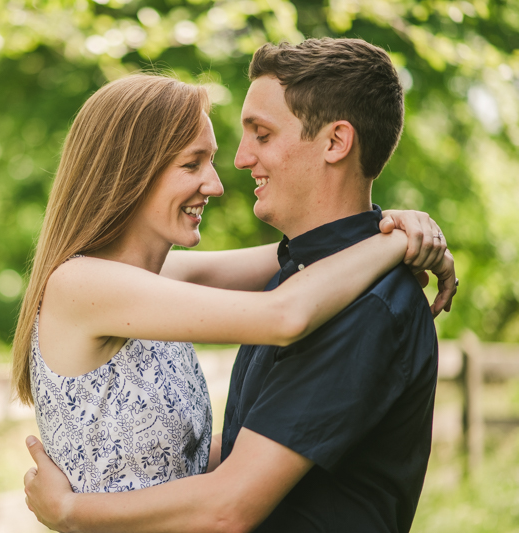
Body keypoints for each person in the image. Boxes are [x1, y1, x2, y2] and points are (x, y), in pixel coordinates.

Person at [23, 39, 456, 532]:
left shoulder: (166, 280)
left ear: (336, 142)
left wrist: (402, 230)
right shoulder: (90, 285)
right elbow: (286, 308)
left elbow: (300, 257)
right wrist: (395, 241)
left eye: (261, 134)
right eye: (193, 164)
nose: (226, 175)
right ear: (128, 172)